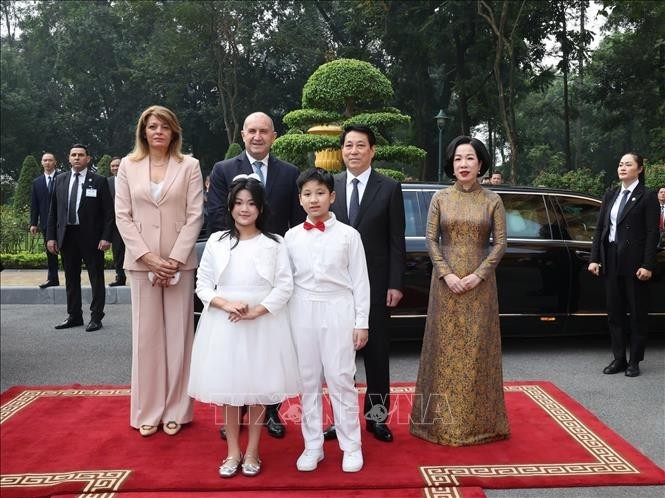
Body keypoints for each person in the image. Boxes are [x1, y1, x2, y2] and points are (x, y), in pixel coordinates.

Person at [189, 174, 300, 478]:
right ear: (230, 206)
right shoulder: (216, 241)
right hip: (225, 323)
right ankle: (232, 452)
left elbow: (284, 286)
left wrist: (257, 311)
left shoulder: (275, 244)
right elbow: (203, 285)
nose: (244, 209)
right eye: (238, 203)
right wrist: (226, 305)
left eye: (251, 203)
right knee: (230, 389)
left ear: (261, 208)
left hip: (262, 324)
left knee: (258, 390)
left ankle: (252, 450)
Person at [207, 111, 305, 438]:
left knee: (267, 351)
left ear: (274, 136)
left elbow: (294, 222)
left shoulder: (290, 173)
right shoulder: (224, 170)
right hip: (236, 266)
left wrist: (276, 257)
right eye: (252, 131)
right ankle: (237, 415)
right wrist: (239, 248)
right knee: (237, 355)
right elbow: (217, 214)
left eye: (264, 131)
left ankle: (271, 413)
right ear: (244, 135)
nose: (258, 136)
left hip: (271, 270)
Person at [410, 135, 509, 446]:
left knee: (478, 351)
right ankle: (436, 423)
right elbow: (430, 240)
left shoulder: (493, 200)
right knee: (443, 350)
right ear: (451, 165)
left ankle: (480, 424)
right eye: (457, 159)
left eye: (469, 158)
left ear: (480, 164)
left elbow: (501, 244)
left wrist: (478, 276)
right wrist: (447, 274)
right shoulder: (440, 198)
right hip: (446, 287)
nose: (463, 164)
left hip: (481, 288)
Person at [115, 105, 204, 436]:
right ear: (143, 131)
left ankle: (177, 410)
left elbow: (196, 214)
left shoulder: (190, 165)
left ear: (174, 132)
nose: (158, 131)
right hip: (141, 265)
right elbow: (122, 215)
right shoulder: (128, 165)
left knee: (179, 338)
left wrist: (176, 259)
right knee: (146, 339)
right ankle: (147, 411)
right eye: (152, 126)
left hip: (180, 264)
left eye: (165, 126)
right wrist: (148, 257)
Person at [285, 168, 370, 473]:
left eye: (320, 193)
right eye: (307, 194)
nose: (313, 199)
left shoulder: (349, 235)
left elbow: (360, 281)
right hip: (301, 311)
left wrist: (362, 323)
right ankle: (312, 445)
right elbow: (286, 282)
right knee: (307, 381)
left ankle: (351, 446)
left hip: (338, 310)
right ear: (300, 199)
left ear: (332, 197)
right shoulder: (291, 237)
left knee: (341, 379)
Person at [326, 124, 406, 443]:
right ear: (341, 151)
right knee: (339, 361)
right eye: (348, 146)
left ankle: (377, 419)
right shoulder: (331, 187)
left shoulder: (388, 187)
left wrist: (396, 283)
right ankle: (342, 420)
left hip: (374, 286)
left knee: (376, 356)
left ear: (372, 150)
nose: (354, 151)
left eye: (361, 145)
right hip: (337, 289)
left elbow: (396, 240)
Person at [588, 153, 660, 378]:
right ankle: (619, 358)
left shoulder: (647, 196)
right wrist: (594, 258)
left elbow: (652, 233)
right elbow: (600, 229)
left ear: (639, 169)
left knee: (637, 313)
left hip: (635, 262)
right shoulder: (610, 194)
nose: (623, 167)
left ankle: (634, 361)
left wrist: (648, 264)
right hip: (611, 259)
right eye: (620, 164)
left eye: (628, 164)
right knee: (615, 312)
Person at [46, 144, 113, 332]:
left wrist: (106, 237)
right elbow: (53, 212)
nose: (77, 158)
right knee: (70, 278)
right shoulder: (60, 180)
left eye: (81, 155)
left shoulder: (99, 181)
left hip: (92, 238)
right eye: (73, 155)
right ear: (68, 158)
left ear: (88, 159)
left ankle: (96, 316)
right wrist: (51, 237)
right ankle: (74, 316)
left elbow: (109, 212)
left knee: (96, 278)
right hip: (67, 236)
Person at [30, 152, 60, 289]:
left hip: (63, 222)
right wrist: (33, 223)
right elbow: (34, 204)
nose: (47, 162)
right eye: (45, 160)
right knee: (50, 252)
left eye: (50, 160)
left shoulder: (63, 178)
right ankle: (52, 278)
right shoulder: (37, 182)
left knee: (68, 252)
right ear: (41, 163)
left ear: (55, 162)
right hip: (47, 223)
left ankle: (72, 278)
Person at [107, 157, 126, 286]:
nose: (115, 168)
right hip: (114, 223)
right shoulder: (106, 182)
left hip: (132, 221)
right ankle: (120, 277)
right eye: (113, 166)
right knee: (118, 251)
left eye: (117, 165)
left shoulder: (131, 181)